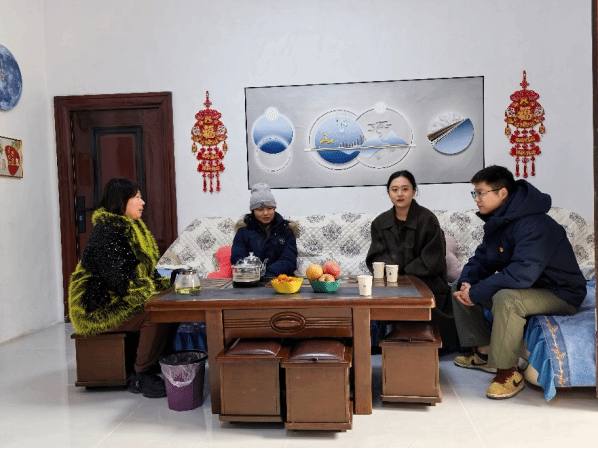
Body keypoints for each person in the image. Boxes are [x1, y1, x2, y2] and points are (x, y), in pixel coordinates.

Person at [452, 165, 586, 399]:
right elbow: (482, 260)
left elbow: (522, 274)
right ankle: (483, 353)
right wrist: (467, 283)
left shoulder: (536, 225)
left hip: (560, 293)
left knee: (507, 299)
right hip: (530, 287)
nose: (476, 199)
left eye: (480, 193)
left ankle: (507, 373)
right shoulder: (500, 222)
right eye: (475, 193)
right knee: (457, 287)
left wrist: (477, 291)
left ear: (502, 193)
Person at [68, 178, 173, 398]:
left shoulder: (135, 228)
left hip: (121, 297)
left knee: (173, 307)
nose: (142, 202)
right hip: (98, 307)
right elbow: (121, 282)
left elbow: (148, 271)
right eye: (137, 197)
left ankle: (155, 362)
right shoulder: (107, 233)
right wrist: (156, 297)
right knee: (155, 313)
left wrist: (168, 287)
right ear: (121, 201)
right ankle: (141, 375)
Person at [366, 170, 457, 349]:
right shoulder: (379, 222)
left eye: (405, 189)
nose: (399, 194)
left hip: (427, 282)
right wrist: (395, 275)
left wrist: (403, 272)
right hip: (392, 283)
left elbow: (433, 260)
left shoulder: (428, 220)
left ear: (414, 191)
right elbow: (376, 257)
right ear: (388, 193)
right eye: (394, 190)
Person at [231, 182, 298, 277]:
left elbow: (289, 260)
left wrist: (265, 274)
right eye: (260, 209)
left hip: (281, 280)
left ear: (274, 208)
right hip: (251, 280)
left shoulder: (286, 230)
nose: (266, 213)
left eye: (270, 208)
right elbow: (237, 258)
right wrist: (256, 274)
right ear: (253, 211)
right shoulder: (243, 232)